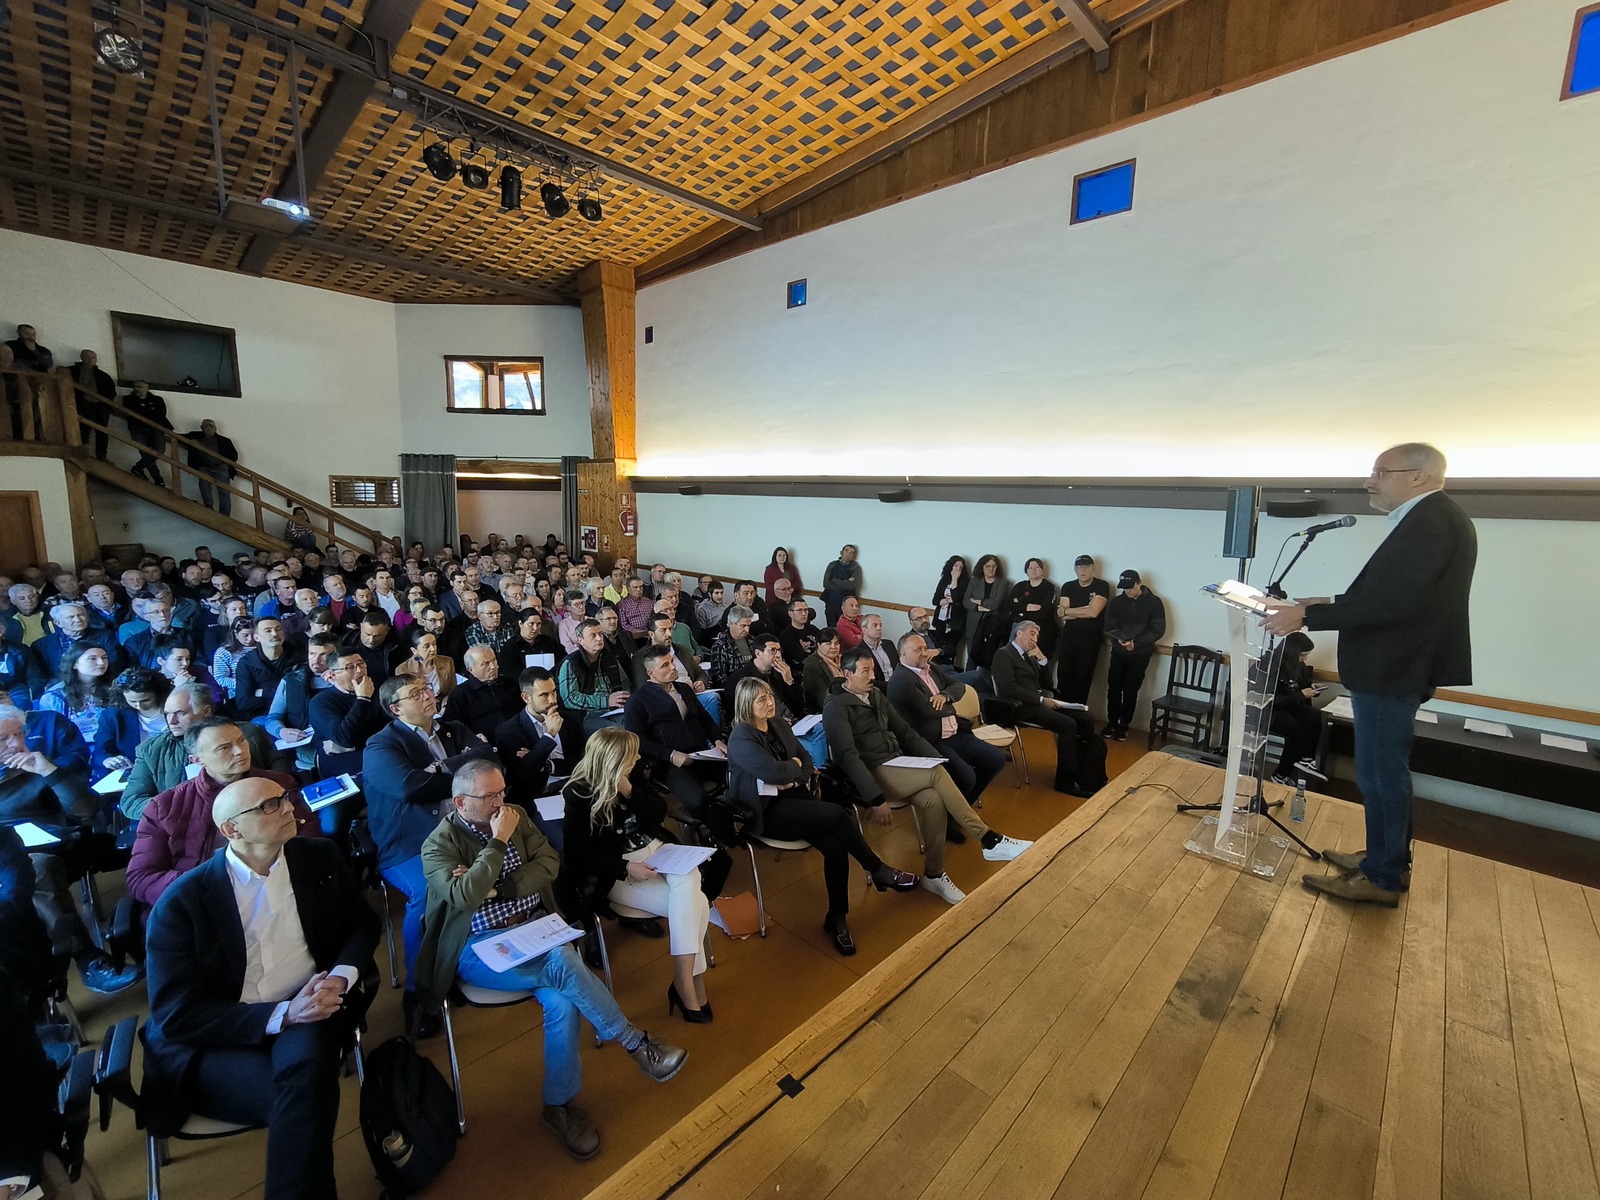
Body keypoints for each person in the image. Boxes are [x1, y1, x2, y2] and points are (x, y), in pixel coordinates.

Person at [416, 760, 687, 1160]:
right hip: (479, 947)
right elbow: (465, 898)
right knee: (562, 958)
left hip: (532, 927)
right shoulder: (438, 845)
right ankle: (635, 1044)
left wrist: (498, 886)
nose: (500, 803)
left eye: (502, 792)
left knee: (561, 997)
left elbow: (549, 863)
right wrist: (498, 843)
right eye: (489, 796)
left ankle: (558, 1107)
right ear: (461, 801)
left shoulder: (516, 815)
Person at [142, 776, 379, 1200]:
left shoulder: (318, 857)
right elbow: (177, 1015)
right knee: (303, 1098)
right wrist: (282, 1015)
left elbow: (361, 923)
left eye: (285, 799)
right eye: (270, 806)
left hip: (306, 1004)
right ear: (233, 830)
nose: (290, 808)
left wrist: (340, 977)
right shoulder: (183, 903)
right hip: (217, 1035)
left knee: (306, 1082)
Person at [1264, 442, 1476, 907]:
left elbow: (1398, 604)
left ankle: (1381, 877)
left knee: (1381, 775)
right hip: (1394, 666)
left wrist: (1305, 618)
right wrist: (1329, 603)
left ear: (1418, 476)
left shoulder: (1432, 521)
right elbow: (1397, 594)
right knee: (1381, 774)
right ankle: (1383, 861)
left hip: (1393, 668)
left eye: (1380, 472)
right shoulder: (1431, 518)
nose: (1369, 482)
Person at [726, 677, 918, 955]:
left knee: (836, 845)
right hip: (767, 811)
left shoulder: (778, 724)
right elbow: (772, 772)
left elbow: (806, 761)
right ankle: (878, 870)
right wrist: (790, 768)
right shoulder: (741, 736)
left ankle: (837, 917)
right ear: (746, 705)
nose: (770, 703)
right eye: (761, 700)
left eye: (770, 696)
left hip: (797, 801)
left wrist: (791, 772)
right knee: (837, 814)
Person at [824, 648, 1031, 906]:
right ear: (847, 674)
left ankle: (934, 874)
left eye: (872, 670)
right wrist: (875, 799)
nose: (871, 675)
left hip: (896, 762)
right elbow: (847, 757)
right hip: (871, 772)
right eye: (865, 671)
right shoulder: (835, 707)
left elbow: (905, 731)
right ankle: (988, 839)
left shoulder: (874, 693)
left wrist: (935, 758)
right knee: (935, 776)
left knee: (933, 800)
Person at [362, 674, 495, 1025]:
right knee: (430, 894)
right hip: (410, 844)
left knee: (513, 864)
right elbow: (411, 788)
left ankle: (472, 959)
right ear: (396, 708)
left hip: (465, 832)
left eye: (427, 689)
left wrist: (437, 769)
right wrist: (459, 768)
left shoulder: (451, 728)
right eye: (416, 694)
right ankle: (419, 989)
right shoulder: (380, 747)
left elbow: (487, 762)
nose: (427, 697)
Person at [562, 728, 714, 1021]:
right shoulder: (578, 792)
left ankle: (683, 979)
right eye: (631, 756)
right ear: (612, 760)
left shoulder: (631, 776)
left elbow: (657, 813)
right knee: (696, 902)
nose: (637, 759)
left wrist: (630, 791)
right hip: (621, 870)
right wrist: (626, 868)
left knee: (690, 884)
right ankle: (691, 981)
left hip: (657, 852)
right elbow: (577, 853)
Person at [0, 705, 142, 994]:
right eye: (3, 739)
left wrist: (49, 772)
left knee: (36, 867)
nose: (15, 743)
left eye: (19, 734)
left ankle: (87, 959)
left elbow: (89, 811)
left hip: (58, 851)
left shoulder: (39, 767)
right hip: (6, 862)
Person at [127, 718, 310, 909]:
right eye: (224, 748)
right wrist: (207, 886)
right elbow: (142, 877)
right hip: (205, 903)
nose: (240, 751)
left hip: (279, 886)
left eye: (241, 740)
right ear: (197, 760)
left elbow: (307, 834)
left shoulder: (278, 784)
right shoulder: (166, 807)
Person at [120, 681, 280, 821]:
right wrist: (177, 807)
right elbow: (131, 802)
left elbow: (279, 768)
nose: (171, 721)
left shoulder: (248, 734)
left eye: (180, 713)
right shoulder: (152, 749)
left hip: (250, 815)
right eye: (167, 714)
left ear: (206, 711)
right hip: (185, 826)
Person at [887, 631, 1005, 807]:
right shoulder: (901, 680)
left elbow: (959, 686)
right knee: (966, 777)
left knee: (996, 759)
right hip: (932, 741)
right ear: (903, 654)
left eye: (925, 648)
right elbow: (929, 710)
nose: (924, 653)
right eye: (918, 649)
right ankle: (952, 818)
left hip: (955, 733)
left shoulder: (931, 668)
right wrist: (952, 705)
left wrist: (945, 696)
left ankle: (962, 809)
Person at [989, 620, 1103, 797]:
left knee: (1086, 718)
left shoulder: (1029, 656)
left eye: (1037, 636)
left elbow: (1047, 684)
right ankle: (1065, 781)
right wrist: (1041, 700)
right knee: (1068, 725)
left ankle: (1084, 770)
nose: (1034, 639)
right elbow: (1008, 688)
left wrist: (1042, 661)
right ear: (1019, 633)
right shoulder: (1004, 654)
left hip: (1038, 701)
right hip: (1021, 706)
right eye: (1031, 634)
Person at [623, 646, 727, 818]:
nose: (673, 667)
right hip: (669, 763)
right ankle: (700, 829)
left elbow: (704, 718)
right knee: (697, 800)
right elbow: (637, 740)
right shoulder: (638, 701)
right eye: (665, 665)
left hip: (702, 754)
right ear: (651, 673)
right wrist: (671, 755)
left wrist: (718, 740)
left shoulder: (684, 689)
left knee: (739, 775)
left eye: (671, 662)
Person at [1103, 570, 1165, 741]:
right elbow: (1110, 625)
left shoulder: (1154, 602)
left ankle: (1124, 725)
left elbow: (1158, 630)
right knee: (1113, 688)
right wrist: (1120, 640)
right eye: (1124, 589)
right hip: (1118, 651)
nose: (1127, 592)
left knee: (1130, 690)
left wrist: (1136, 643)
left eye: (1130, 588)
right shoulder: (1117, 602)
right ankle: (1112, 722)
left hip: (1140, 654)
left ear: (1139, 583)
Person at [307, 648, 386, 778]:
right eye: (350, 668)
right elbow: (344, 738)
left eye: (361, 664)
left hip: (376, 748)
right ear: (333, 675)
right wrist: (363, 699)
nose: (359, 670)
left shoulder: (379, 689)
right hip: (340, 759)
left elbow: (393, 725)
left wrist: (356, 745)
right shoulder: (320, 702)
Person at [1269, 631, 1328, 785]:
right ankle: (1281, 775)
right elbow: (1271, 699)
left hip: (1289, 706)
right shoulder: (1270, 665)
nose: (1305, 659)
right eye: (1302, 655)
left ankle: (1307, 759)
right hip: (1270, 711)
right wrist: (1301, 695)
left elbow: (1301, 688)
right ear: (1292, 652)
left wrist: (1312, 689)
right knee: (1297, 728)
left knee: (1314, 716)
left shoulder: (1299, 666)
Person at [557, 619, 632, 739]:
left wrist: (624, 697)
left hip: (615, 709)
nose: (599, 638)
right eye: (593, 635)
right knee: (618, 732)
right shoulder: (571, 662)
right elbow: (570, 698)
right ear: (580, 640)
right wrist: (606, 701)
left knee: (638, 724)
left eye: (600, 634)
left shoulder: (609, 657)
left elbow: (625, 681)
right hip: (587, 714)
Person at [1054, 555, 1111, 706]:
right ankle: (1061, 715)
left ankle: (1077, 718)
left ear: (1093, 568)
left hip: (1090, 640)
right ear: (1075, 570)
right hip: (1068, 638)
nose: (1083, 570)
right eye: (1079, 567)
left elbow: (1094, 612)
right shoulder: (1068, 586)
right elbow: (1061, 613)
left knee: (1082, 679)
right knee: (1063, 677)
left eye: (1086, 567)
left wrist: (1069, 611)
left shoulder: (1102, 585)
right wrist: (1085, 608)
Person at [37, 643, 116, 745]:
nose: (101, 663)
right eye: (92, 659)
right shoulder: (54, 697)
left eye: (104, 658)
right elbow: (53, 732)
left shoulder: (114, 688)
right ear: (75, 664)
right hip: (76, 747)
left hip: (112, 743)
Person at [443, 645, 519, 737]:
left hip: (519, 739)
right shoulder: (460, 694)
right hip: (485, 745)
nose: (493, 666)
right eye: (485, 664)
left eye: (494, 660)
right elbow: (452, 728)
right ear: (471, 670)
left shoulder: (511, 684)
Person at [1006, 559, 1059, 686]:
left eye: (1037, 567)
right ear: (1026, 571)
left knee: (1039, 667)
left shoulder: (1049, 587)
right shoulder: (1020, 586)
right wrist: (1028, 606)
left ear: (1042, 570)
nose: (1034, 570)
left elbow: (1044, 612)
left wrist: (1021, 609)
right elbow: (1009, 605)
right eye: (1030, 568)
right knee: (1016, 664)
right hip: (1020, 633)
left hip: (1043, 633)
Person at [181, 419, 239, 515]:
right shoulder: (195, 436)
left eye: (210, 426)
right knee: (204, 486)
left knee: (224, 491)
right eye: (205, 426)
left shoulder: (224, 441)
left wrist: (227, 465)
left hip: (220, 468)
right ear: (202, 428)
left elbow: (234, 455)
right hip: (204, 468)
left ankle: (224, 515)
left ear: (215, 428)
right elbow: (179, 437)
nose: (208, 428)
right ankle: (209, 507)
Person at [963, 554, 1009, 669]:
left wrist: (978, 601)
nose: (991, 569)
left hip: (992, 627)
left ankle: (985, 685)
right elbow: (966, 601)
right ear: (982, 567)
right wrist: (979, 607)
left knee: (989, 659)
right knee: (972, 656)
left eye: (994, 566)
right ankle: (968, 684)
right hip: (974, 625)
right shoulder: (974, 581)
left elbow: (996, 604)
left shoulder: (1003, 582)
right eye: (987, 566)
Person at [122, 382, 173, 485]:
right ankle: (158, 480)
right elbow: (133, 411)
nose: (137, 389)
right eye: (135, 386)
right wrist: (149, 412)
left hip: (155, 428)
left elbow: (161, 414)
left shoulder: (157, 399)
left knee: (159, 450)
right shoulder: (127, 399)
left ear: (147, 388)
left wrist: (143, 411)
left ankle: (137, 468)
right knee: (145, 453)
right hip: (137, 429)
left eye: (140, 387)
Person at [394, 622, 457, 705]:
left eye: (434, 644)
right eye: (427, 646)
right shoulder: (403, 670)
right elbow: (408, 700)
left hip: (444, 704)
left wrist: (445, 705)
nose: (433, 649)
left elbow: (453, 690)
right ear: (414, 651)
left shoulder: (447, 662)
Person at [71, 348, 117, 460]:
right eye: (87, 357)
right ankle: (82, 454)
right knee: (83, 430)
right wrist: (82, 397)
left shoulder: (104, 376)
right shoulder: (71, 371)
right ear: (82, 358)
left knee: (102, 432)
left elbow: (111, 393)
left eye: (93, 357)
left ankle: (101, 456)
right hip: (81, 406)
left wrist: (100, 401)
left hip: (100, 408)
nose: (91, 360)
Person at [930, 556, 970, 662]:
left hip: (955, 623)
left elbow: (957, 600)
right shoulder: (944, 580)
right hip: (940, 620)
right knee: (938, 647)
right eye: (956, 566)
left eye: (960, 567)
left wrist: (955, 581)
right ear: (950, 566)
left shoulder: (965, 582)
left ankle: (949, 671)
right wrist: (943, 601)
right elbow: (934, 600)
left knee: (950, 649)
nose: (958, 569)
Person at [708, 605, 756, 686]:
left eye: (749, 626)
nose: (747, 630)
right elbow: (719, 679)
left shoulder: (752, 641)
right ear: (731, 623)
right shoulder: (720, 646)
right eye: (743, 626)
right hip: (737, 689)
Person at [802, 626, 846, 714]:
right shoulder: (811, 666)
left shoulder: (843, 659)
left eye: (836, 643)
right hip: (827, 711)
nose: (833, 647)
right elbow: (823, 699)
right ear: (818, 645)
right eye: (829, 643)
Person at [819, 544, 861, 626]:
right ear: (841, 552)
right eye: (846, 551)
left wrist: (834, 580)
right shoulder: (832, 565)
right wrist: (845, 582)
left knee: (845, 630)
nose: (848, 554)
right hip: (830, 603)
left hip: (846, 606)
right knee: (831, 629)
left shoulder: (855, 567)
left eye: (851, 553)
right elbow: (826, 584)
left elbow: (851, 586)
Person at [776, 595, 822, 665]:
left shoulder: (813, 629)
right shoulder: (787, 635)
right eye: (799, 610)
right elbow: (801, 658)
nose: (804, 614)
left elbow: (825, 642)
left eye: (806, 610)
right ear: (790, 613)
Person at [856, 613, 898, 687]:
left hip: (898, 685)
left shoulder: (889, 644)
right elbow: (867, 679)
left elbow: (898, 666)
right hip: (879, 689)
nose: (879, 628)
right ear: (864, 629)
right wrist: (890, 686)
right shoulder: (859, 651)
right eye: (875, 625)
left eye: (880, 625)